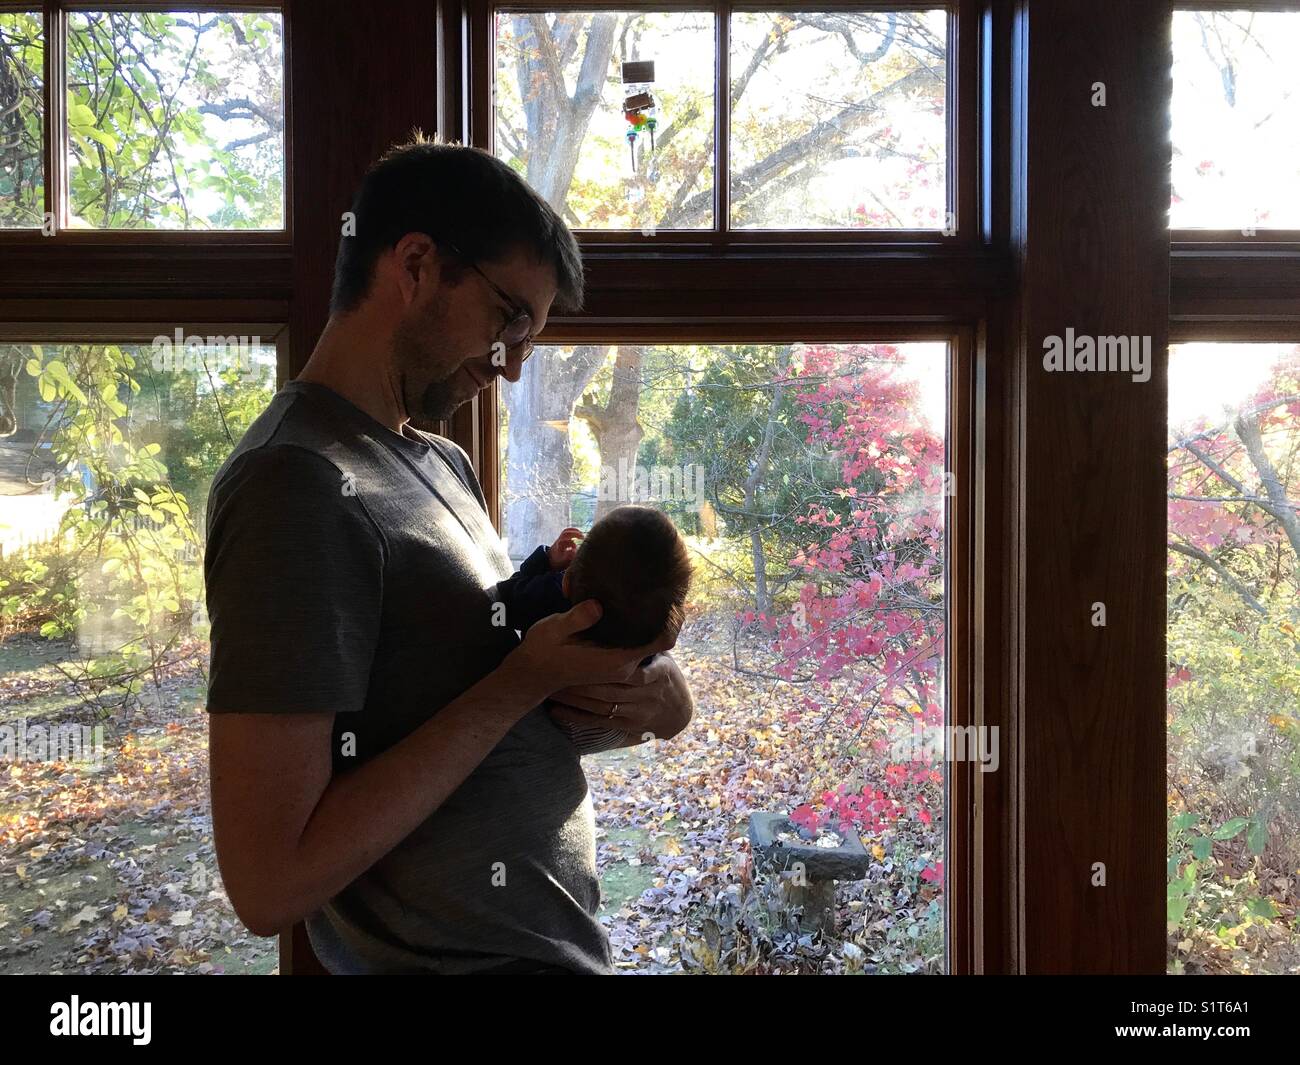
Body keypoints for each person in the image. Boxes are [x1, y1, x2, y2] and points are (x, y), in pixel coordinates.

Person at [202, 135, 695, 975]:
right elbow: (269, 881)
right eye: (509, 320)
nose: (510, 368)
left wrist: (646, 691)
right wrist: (521, 682)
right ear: (419, 264)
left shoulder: (441, 464)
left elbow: (487, 712)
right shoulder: (295, 483)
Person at [494, 505, 694, 754]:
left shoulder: (549, 597)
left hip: (550, 713)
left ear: (567, 581)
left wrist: (545, 561)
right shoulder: (654, 621)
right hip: (607, 729)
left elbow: (504, 601)